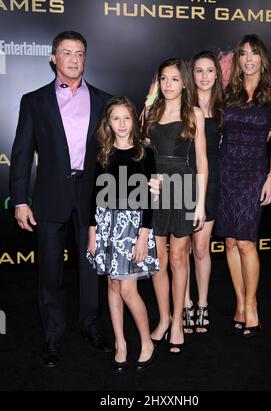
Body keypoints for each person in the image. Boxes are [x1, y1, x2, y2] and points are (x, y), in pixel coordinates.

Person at [10, 31, 113, 367]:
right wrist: (20, 200)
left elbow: (115, 154)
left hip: (92, 194)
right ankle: (53, 335)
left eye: (79, 53)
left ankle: (90, 325)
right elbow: (22, 153)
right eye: (66, 52)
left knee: (90, 265)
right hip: (50, 194)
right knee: (50, 269)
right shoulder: (34, 100)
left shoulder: (104, 100)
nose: (73, 59)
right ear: (53, 57)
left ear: (86, 58)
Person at [215, 34, 271, 337]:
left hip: (254, 172)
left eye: (253, 53)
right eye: (243, 53)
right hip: (226, 171)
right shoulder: (228, 93)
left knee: (246, 242)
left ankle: (252, 304)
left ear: (262, 59)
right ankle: (240, 304)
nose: (248, 59)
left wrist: (270, 177)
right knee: (230, 242)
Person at [86, 96, 159, 372]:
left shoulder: (145, 152)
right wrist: (93, 232)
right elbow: (95, 195)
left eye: (126, 118)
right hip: (105, 224)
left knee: (128, 288)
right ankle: (120, 344)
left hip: (133, 226)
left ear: (134, 120)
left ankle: (146, 342)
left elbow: (152, 199)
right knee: (113, 285)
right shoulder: (103, 151)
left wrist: (143, 235)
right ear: (108, 122)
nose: (121, 124)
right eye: (116, 118)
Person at [144, 58, 208, 354]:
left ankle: (180, 323)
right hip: (155, 189)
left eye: (174, 79)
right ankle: (164, 318)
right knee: (157, 259)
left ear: (184, 82)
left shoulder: (194, 113)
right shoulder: (148, 112)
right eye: (163, 79)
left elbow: (202, 162)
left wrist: (200, 205)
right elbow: (142, 155)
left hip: (183, 186)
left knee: (179, 257)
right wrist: (144, 180)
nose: (168, 85)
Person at [183, 51, 224, 334]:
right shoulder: (181, 105)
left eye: (210, 71)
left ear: (217, 75)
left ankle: (203, 304)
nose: (205, 76)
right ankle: (184, 305)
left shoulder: (225, 107)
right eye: (199, 70)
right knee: (181, 249)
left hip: (212, 182)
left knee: (200, 248)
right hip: (183, 181)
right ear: (191, 74)